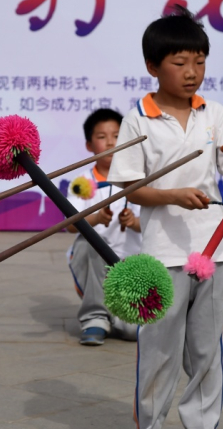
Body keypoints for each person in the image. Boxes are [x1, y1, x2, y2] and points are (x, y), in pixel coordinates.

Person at [108, 6, 223, 429]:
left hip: (215, 251)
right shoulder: (137, 119)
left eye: (200, 61)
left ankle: (202, 424)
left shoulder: (214, 113)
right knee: (159, 352)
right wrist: (173, 195)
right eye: (180, 62)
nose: (192, 71)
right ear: (153, 66)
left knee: (208, 352)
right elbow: (129, 187)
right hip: (160, 255)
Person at [66, 108, 142, 346]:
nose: (110, 142)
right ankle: (94, 318)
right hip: (92, 263)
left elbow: (151, 222)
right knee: (94, 243)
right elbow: (70, 226)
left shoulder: (139, 178)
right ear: (89, 145)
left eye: (117, 135)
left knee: (131, 332)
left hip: (129, 263)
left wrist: (134, 222)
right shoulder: (82, 182)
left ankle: (115, 315)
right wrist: (96, 219)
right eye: (102, 137)